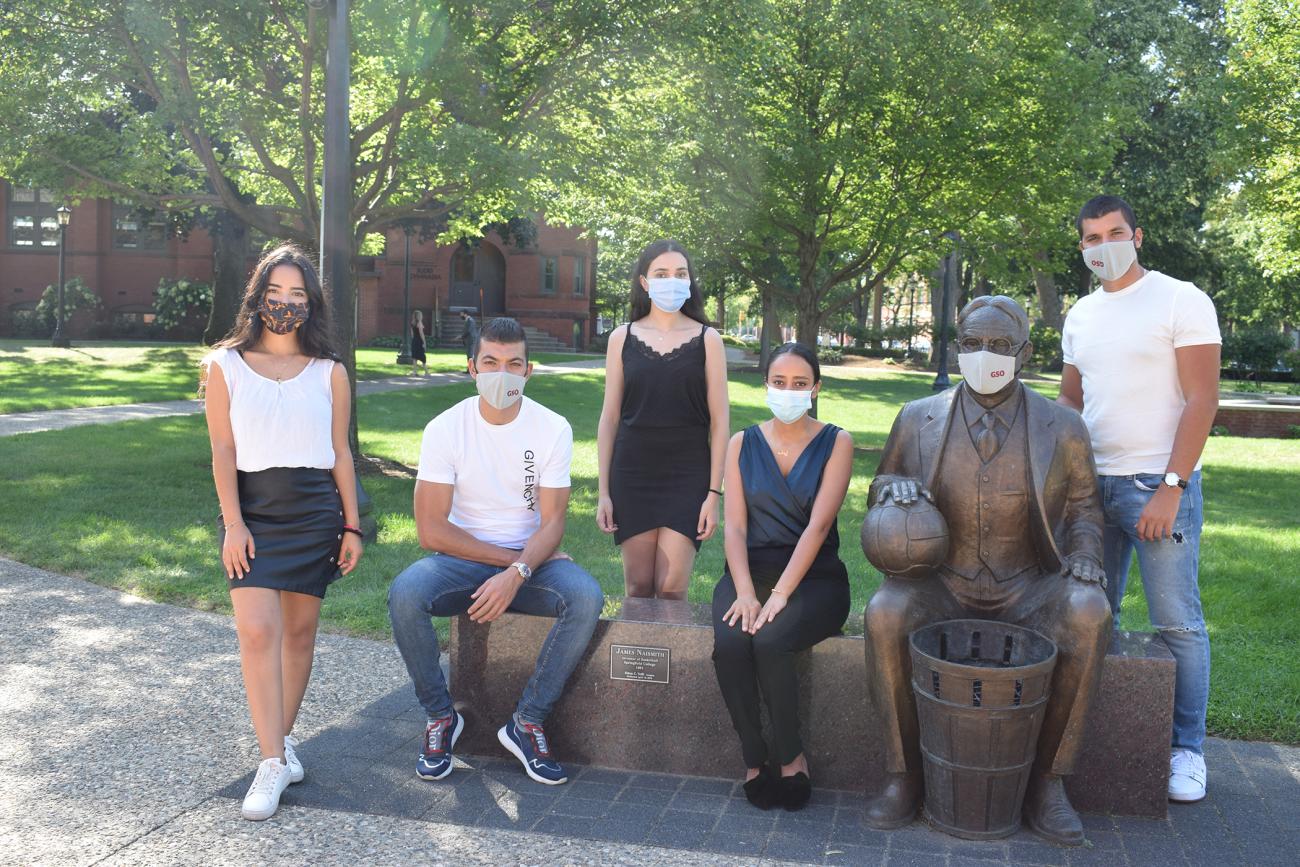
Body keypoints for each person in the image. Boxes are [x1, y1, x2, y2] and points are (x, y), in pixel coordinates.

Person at [862, 295, 1111, 845]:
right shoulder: (916, 417)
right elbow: (880, 484)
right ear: (956, 347)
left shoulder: (1064, 426)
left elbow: (1084, 509)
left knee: (1089, 613)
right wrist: (893, 489)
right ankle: (903, 776)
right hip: (941, 581)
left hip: (1028, 584)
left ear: (1023, 351)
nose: (984, 355)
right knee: (884, 613)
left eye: (999, 346)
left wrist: (1087, 556)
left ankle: (1049, 783)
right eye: (973, 344)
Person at [387, 317, 604, 785]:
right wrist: (512, 565)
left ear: (529, 370)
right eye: (490, 362)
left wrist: (524, 567)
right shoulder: (446, 428)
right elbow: (430, 530)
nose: (501, 374)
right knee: (406, 593)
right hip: (465, 559)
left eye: (513, 364)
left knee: (584, 596)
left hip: (533, 559)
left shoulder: (552, 427)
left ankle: (527, 723)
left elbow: (553, 524)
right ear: (472, 368)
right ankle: (442, 718)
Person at [1059, 194, 1221, 804]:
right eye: (1092, 238)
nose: (1104, 246)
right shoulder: (1079, 316)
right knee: (1092, 616)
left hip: (1159, 485)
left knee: (1178, 621)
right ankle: (1095, 735)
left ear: (1138, 235)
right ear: (1082, 247)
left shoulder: (1182, 299)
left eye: (1115, 233)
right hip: (1090, 490)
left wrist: (1171, 489)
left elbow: (1202, 401)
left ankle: (1187, 750)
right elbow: (1071, 405)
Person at [201, 244, 363, 821]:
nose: (286, 304)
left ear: (312, 303)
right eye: (276, 294)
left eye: (298, 295)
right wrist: (233, 523)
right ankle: (271, 760)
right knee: (256, 634)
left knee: (298, 637)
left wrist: (352, 524)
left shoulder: (330, 371)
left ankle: (282, 742)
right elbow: (222, 447)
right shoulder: (224, 365)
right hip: (254, 514)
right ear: (258, 297)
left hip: (315, 513)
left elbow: (341, 452)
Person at [711, 343, 854, 811]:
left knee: (771, 641)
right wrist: (749, 593)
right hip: (749, 570)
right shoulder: (741, 443)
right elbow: (734, 527)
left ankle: (792, 757)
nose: (788, 391)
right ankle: (755, 759)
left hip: (814, 577)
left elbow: (816, 528)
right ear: (765, 384)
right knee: (732, 644)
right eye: (779, 382)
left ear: (815, 388)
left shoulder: (838, 442)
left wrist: (780, 596)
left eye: (799, 384)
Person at [596, 240, 730, 599]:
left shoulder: (709, 339)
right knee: (638, 587)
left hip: (688, 475)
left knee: (671, 589)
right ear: (644, 282)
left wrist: (713, 495)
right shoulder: (621, 338)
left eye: (680, 274)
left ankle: (672, 658)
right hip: (632, 473)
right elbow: (609, 419)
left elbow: (720, 424)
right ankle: (634, 657)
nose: (672, 280)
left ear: (689, 282)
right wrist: (604, 493)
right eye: (662, 273)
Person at [409, 309, 428, 375]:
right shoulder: (419, 323)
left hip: (414, 340)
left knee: (415, 357)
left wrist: (414, 340)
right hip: (419, 341)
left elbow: (412, 334)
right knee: (422, 357)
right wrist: (424, 342)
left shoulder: (412, 323)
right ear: (419, 316)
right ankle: (426, 372)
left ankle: (415, 372)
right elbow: (421, 333)